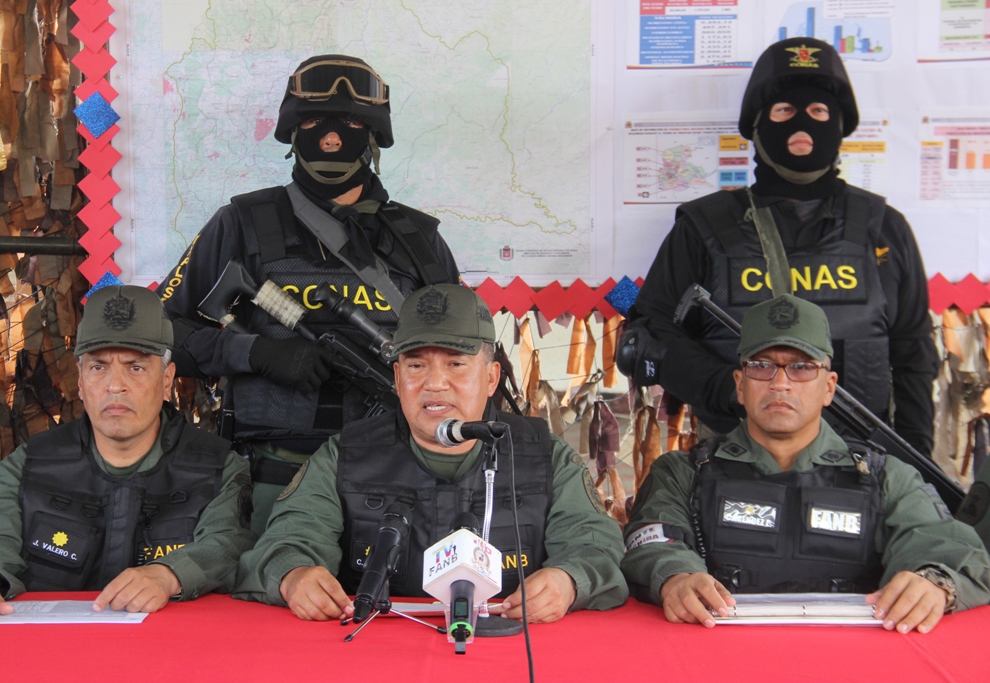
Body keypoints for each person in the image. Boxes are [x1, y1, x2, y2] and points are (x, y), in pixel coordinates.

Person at [156, 55, 460, 535]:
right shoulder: (240, 224)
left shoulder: (418, 240)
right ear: (293, 132)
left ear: (374, 135)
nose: (333, 136)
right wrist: (256, 352)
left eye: (352, 121)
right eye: (315, 120)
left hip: (397, 475)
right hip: (275, 476)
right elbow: (160, 333)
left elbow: (461, 351)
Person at [233, 284, 628, 623]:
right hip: (375, 654)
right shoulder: (344, 455)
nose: (435, 384)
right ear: (398, 377)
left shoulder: (546, 457)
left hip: (503, 652)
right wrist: (294, 574)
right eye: (416, 365)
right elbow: (287, 541)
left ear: (490, 378)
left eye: (456, 364)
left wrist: (570, 580)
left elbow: (594, 547)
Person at [620, 37, 936, 454]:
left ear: (840, 125)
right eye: (784, 111)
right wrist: (729, 390)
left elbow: (913, 354)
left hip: (864, 464)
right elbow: (645, 337)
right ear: (757, 126)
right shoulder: (704, 227)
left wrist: (915, 459)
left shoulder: (883, 229)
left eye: (819, 111)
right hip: (738, 461)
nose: (802, 125)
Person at [621, 294, 990, 633]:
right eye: (762, 366)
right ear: (740, 384)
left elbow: (953, 552)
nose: (780, 384)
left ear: (828, 386)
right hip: (716, 657)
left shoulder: (887, 477)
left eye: (800, 367)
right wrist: (675, 577)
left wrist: (934, 582)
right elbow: (650, 542)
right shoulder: (683, 472)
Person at [0, 285, 255, 623]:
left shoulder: (218, 468)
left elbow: (226, 544)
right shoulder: (29, 464)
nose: (114, 385)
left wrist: (168, 574)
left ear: (166, 380)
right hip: (51, 653)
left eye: (136, 367)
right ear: (80, 381)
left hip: (170, 656)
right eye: (99, 367)